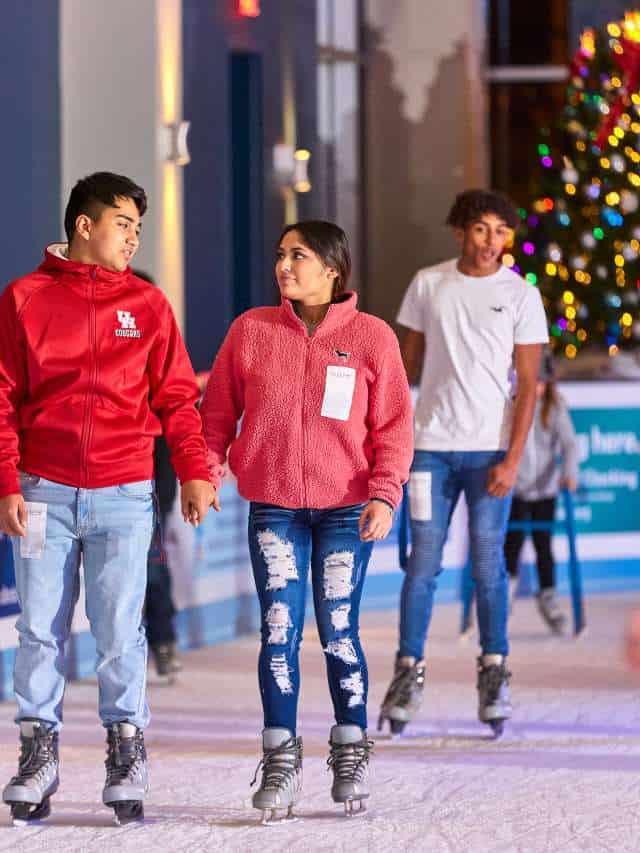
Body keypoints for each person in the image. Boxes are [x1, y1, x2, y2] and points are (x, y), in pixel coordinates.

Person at [0, 172, 216, 825]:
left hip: (124, 489)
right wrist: (8, 480)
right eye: (123, 223)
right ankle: (38, 752)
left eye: (138, 228)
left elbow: (176, 396)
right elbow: (2, 396)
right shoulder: (24, 299)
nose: (132, 237)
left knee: (120, 629)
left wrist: (196, 468)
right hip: (43, 489)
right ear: (85, 225)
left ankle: (126, 752)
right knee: (39, 626)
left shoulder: (148, 306)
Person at [200, 220, 413, 822]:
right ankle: (280, 758)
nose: (284, 266)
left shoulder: (372, 338)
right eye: (280, 255)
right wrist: (207, 472)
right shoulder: (251, 331)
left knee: (338, 630)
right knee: (278, 631)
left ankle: (349, 749)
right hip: (273, 507)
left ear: (332, 268)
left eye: (298, 255)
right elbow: (216, 411)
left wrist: (384, 493)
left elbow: (394, 426)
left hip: (348, 510)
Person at [378, 189, 548, 738]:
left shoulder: (521, 295)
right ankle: (408, 672)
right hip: (429, 448)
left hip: (489, 454)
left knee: (487, 565)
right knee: (422, 564)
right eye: (480, 229)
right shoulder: (429, 284)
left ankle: (494, 670)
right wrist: (395, 443)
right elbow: (405, 369)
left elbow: (529, 386)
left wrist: (513, 458)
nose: (490, 241)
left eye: (501, 231)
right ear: (459, 231)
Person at [504, 349, 578, 634]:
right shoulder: (512, 405)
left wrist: (569, 474)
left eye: (541, 382)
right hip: (517, 489)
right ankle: (505, 595)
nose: (536, 388)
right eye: (531, 381)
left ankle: (548, 595)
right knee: (512, 543)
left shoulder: (555, 407)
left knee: (543, 545)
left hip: (545, 491)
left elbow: (570, 444)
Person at [133, 270, 182, 678]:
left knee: (152, 569)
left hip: (150, 487)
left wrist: (166, 492)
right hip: (103, 483)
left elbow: (174, 426)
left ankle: (163, 642)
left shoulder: (161, 361)